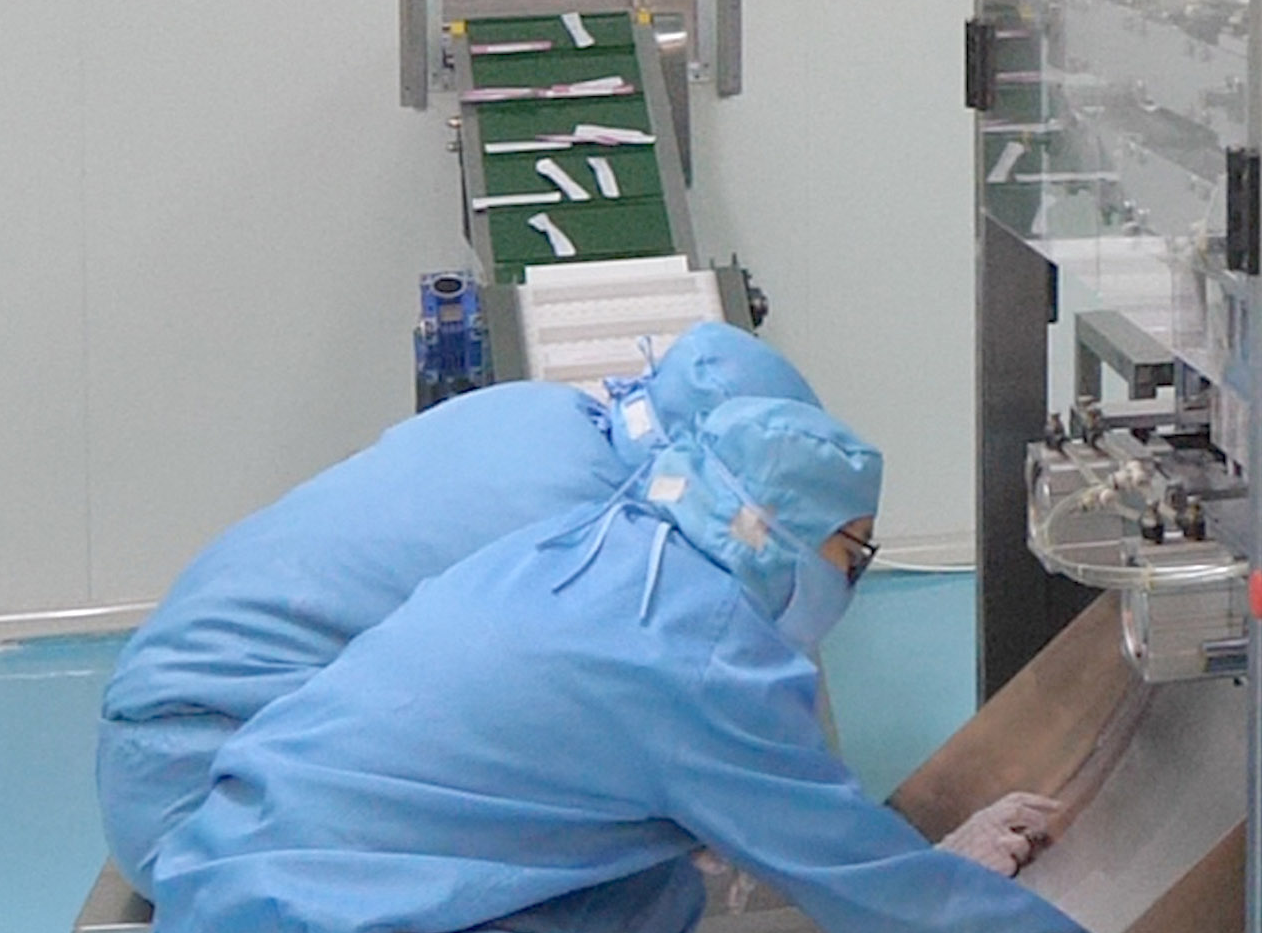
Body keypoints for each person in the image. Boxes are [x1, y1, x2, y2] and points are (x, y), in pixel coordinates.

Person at [140, 395, 1096, 933]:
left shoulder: (603, 551)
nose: (853, 581)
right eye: (854, 555)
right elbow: (873, 892)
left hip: (244, 915)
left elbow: (796, 839)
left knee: (651, 897)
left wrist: (919, 874)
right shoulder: (701, 658)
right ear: (782, 534)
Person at [94, 323, 818, 894]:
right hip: (211, 810)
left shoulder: (537, 409)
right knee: (627, 841)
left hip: (158, 740)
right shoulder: (596, 540)